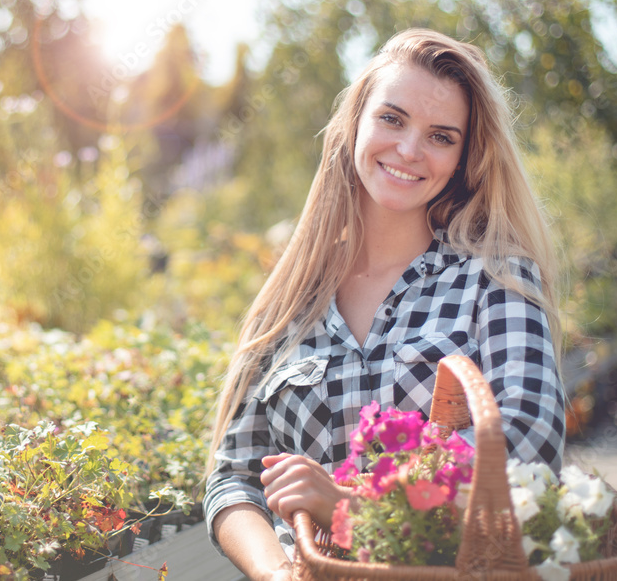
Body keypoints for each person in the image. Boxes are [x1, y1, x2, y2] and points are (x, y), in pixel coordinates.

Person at [203, 28, 566, 581]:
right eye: (392, 119)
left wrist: (353, 509)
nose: (409, 150)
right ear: (355, 125)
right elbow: (234, 478)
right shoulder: (292, 301)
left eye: (441, 136)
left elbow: (527, 444)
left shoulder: (494, 279)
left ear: (464, 159)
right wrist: (278, 574)